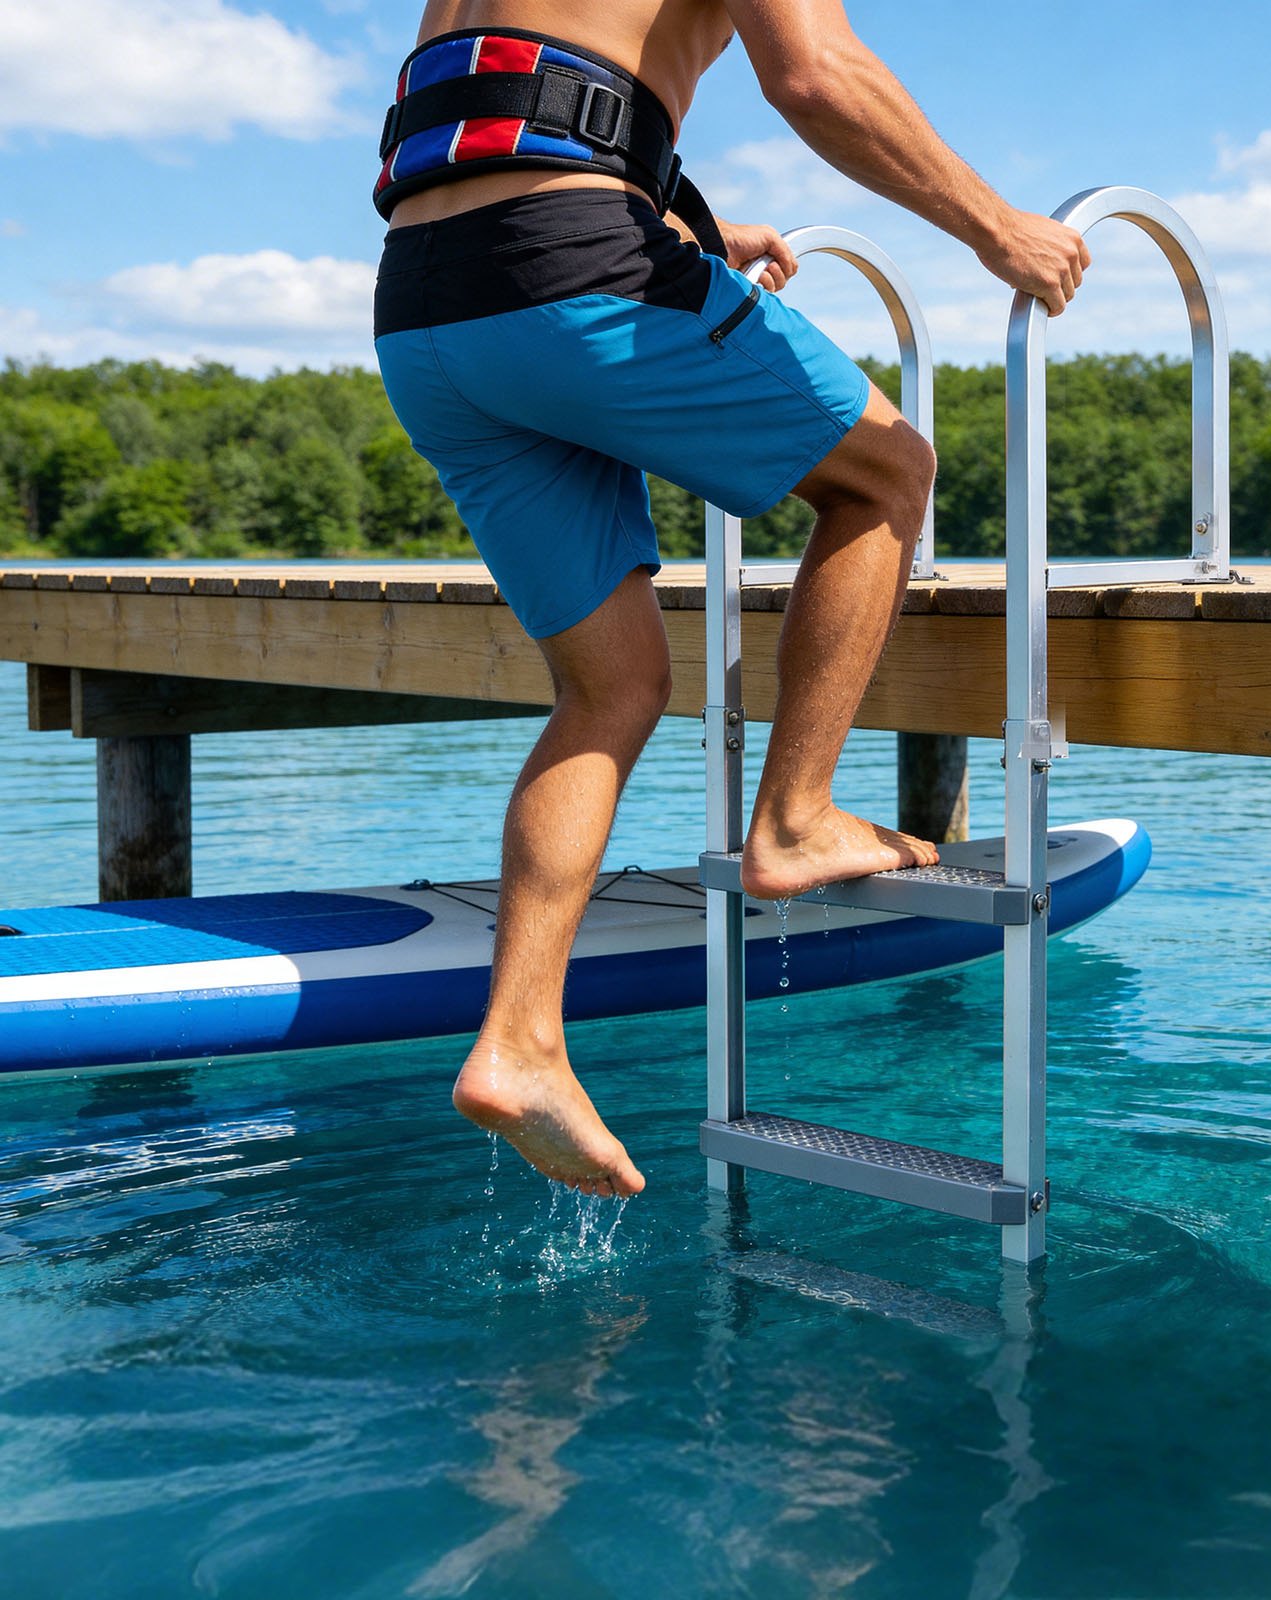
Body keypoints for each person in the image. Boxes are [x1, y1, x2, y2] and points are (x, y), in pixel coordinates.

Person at [373, 0, 1089, 1199]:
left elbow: (508, 102)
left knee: (610, 688)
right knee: (884, 474)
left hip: (426, 315)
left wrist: (674, 215)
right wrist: (996, 227)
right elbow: (816, 74)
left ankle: (519, 1042)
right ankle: (796, 818)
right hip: (574, 274)